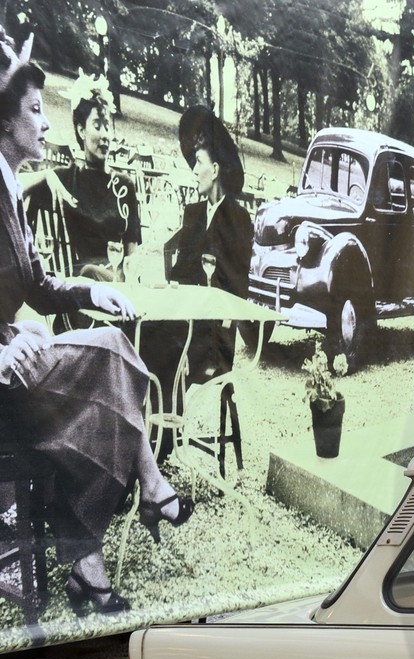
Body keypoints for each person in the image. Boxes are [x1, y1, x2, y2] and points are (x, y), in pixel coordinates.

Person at [0, 34, 191, 616]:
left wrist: (94, 289)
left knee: (112, 346)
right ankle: (144, 497)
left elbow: (36, 283)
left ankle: (92, 564)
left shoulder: (7, 183)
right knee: (112, 372)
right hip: (4, 376)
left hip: (18, 358)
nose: (47, 125)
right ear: (4, 119)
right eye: (35, 110)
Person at [160, 104, 249, 385]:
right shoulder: (193, 213)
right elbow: (180, 273)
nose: (194, 170)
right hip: (185, 320)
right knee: (150, 341)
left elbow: (237, 286)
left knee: (163, 354)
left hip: (214, 331)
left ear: (215, 169)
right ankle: (166, 424)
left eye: (198, 163)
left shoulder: (238, 219)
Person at [22, 72, 141, 280]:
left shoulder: (124, 185)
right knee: (88, 272)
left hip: (117, 282)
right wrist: (48, 175)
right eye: (97, 125)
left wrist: (128, 277)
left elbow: (133, 253)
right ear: (81, 131)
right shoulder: (67, 179)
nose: (104, 134)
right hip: (79, 285)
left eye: (107, 126)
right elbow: (11, 184)